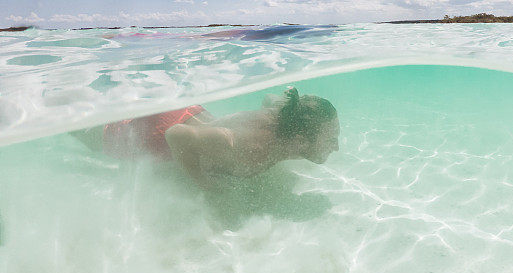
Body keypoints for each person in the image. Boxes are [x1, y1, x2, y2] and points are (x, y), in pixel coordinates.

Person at [73, 87, 339, 190]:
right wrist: (205, 185)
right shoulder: (252, 149)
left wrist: (291, 97)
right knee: (88, 134)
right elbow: (176, 136)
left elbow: (271, 100)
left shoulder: (282, 118)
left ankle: (86, 97)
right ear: (302, 139)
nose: (336, 146)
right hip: (158, 134)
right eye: (330, 139)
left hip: (190, 112)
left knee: (99, 110)